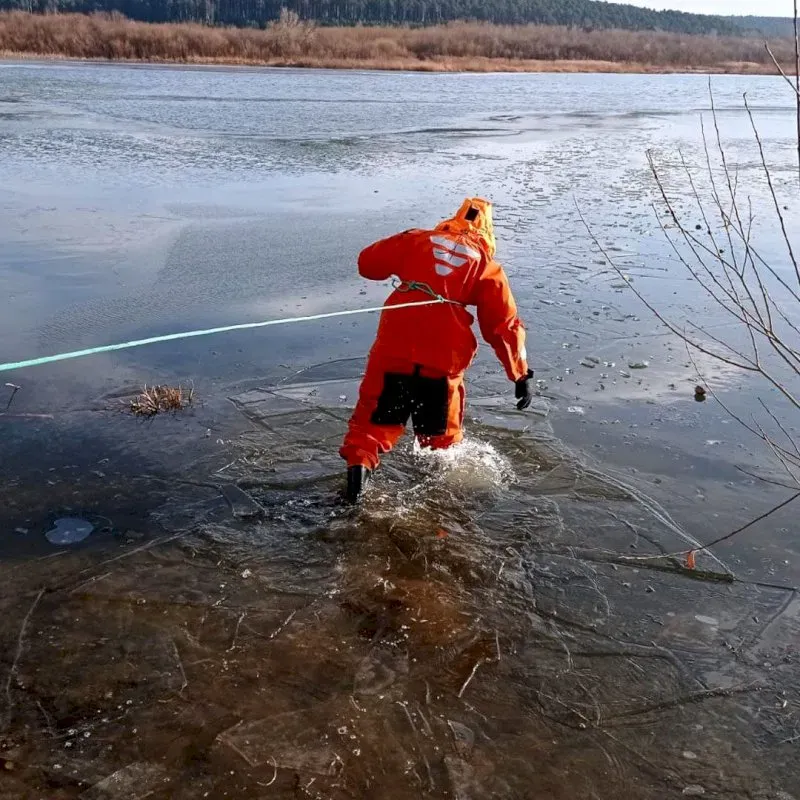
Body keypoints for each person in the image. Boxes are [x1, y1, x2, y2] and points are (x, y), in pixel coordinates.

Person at [339, 198, 533, 503]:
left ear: (452, 220)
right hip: (443, 358)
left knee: (371, 427)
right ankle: (439, 513)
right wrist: (520, 375)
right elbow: (504, 326)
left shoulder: (417, 239)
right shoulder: (487, 266)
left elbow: (367, 264)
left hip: (395, 347)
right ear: (488, 232)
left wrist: (408, 255)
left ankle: (355, 492)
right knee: (441, 444)